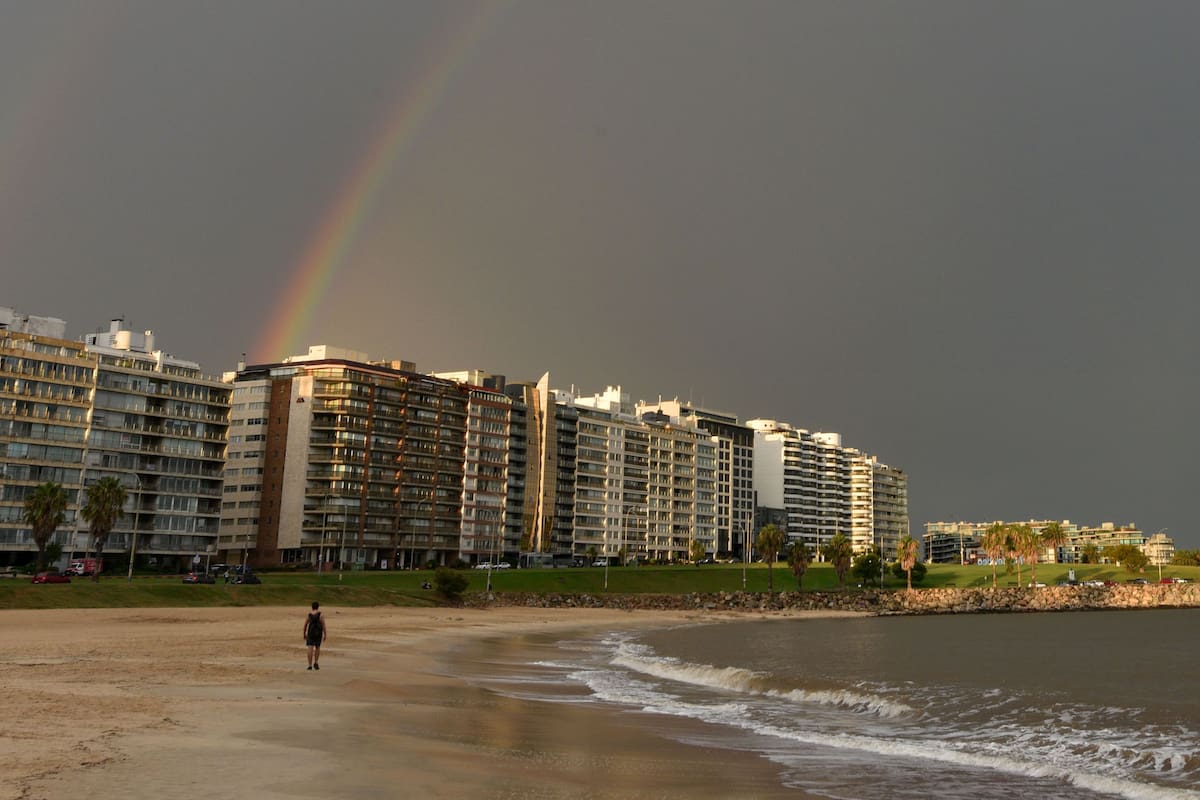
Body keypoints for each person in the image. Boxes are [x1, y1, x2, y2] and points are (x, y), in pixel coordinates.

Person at [303, 601, 326, 670]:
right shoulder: (321, 615)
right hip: (318, 633)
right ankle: (316, 662)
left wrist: (304, 633)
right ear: (318, 607)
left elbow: (305, 625)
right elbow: (323, 625)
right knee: (317, 647)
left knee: (310, 648)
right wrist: (325, 634)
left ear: (312, 607)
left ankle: (310, 665)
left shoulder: (309, 615)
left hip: (310, 633)